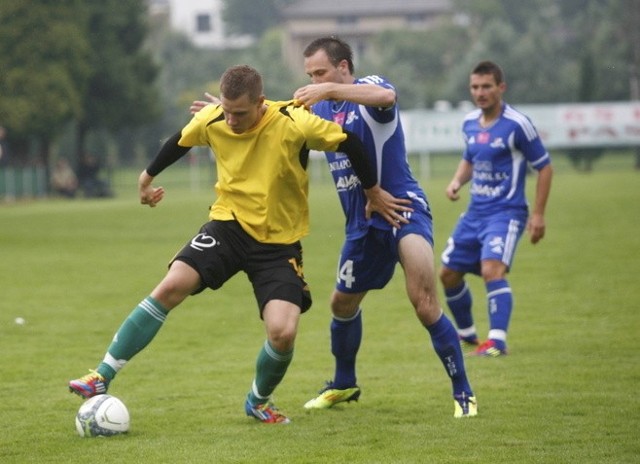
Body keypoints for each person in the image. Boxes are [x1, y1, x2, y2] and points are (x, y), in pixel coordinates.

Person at [68, 64, 409, 425]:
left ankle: (258, 400)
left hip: (279, 243)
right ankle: (100, 375)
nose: (230, 120)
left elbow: (351, 142)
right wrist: (145, 178)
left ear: (260, 102)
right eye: (227, 111)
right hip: (227, 226)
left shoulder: (293, 122)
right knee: (172, 285)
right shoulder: (214, 118)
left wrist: (372, 191)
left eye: (240, 113)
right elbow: (179, 142)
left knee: (283, 332)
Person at [190, 44, 477, 418]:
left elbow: (387, 96)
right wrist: (229, 110)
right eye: (310, 76)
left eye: (320, 73)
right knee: (342, 304)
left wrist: (328, 90)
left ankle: (464, 393)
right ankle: (343, 384)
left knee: (423, 302)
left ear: (343, 67)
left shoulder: (367, 88)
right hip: (361, 224)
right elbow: (270, 115)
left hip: (401, 209)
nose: (314, 82)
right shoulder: (318, 109)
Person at [439, 60, 553, 357]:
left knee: (492, 270)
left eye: (487, 86)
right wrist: (456, 182)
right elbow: (470, 157)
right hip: (475, 212)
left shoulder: (517, 124)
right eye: (475, 87)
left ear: (501, 87)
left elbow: (544, 167)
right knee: (448, 273)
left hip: (506, 212)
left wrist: (538, 214)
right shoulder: (469, 122)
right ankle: (466, 336)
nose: (480, 92)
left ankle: (497, 342)